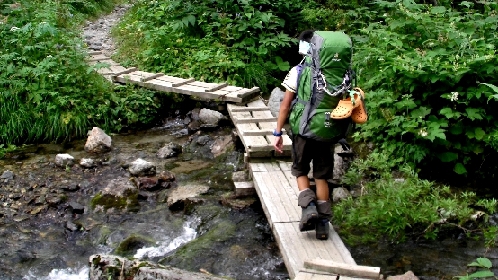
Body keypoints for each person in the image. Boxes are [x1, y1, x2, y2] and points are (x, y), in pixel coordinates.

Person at [272, 30, 336, 240]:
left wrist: (278, 131)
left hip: (302, 130)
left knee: (300, 170)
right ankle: (323, 225)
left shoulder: (298, 71)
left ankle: (308, 207)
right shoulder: (334, 71)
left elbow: (285, 105)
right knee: (321, 176)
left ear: (304, 47)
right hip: (326, 130)